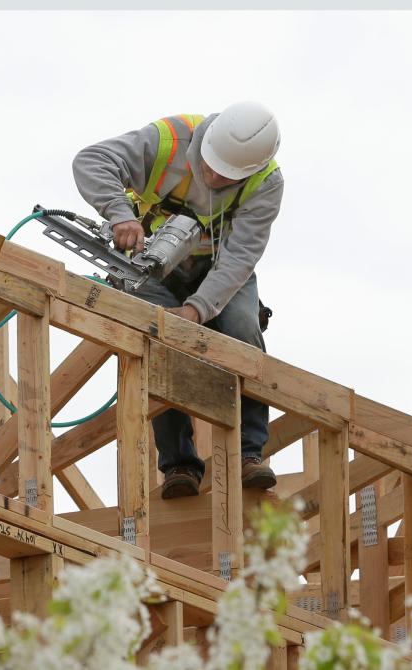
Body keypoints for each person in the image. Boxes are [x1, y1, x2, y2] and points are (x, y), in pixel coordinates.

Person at [72, 101, 284, 499]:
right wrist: (119, 213)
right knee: (160, 342)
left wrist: (197, 309)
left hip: (219, 267)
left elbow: (240, 257)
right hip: (153, 263)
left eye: (227, 176)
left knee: (241, 329)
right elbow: (92, 160)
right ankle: (179, 465)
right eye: (211, 166)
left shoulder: (265, 182)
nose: (215, 176)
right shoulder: (169, 140)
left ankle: (248, 453)